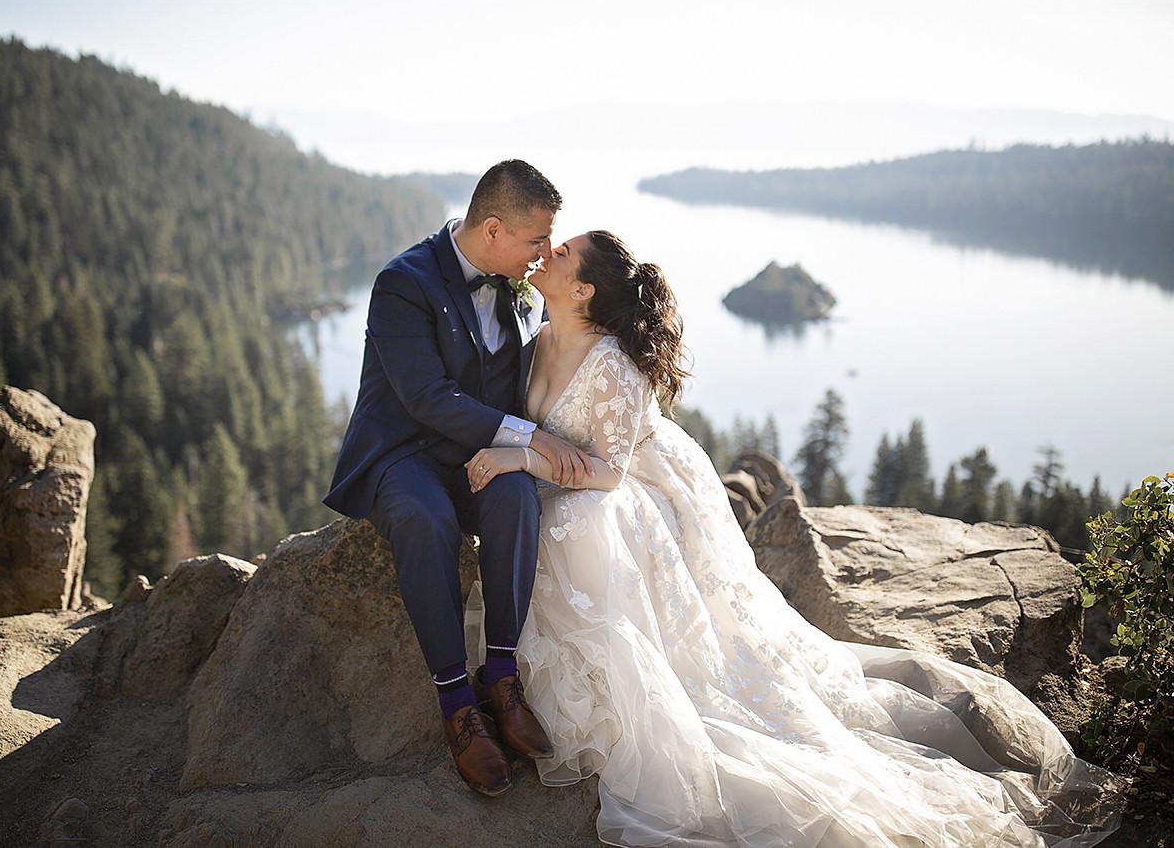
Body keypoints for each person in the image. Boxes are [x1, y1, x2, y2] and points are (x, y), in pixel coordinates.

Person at [465, 230, 1121, 846]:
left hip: (626, 483)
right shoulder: (539, 332)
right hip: (574, 477)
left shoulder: (609, 363)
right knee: (544, 518)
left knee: (578, 525)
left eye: (565, 250)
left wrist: (526, 459)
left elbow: (607, 472)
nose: (548, 251)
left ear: (583, 290)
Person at [323, 160, 595, 797]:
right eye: (536, 241)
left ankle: (500, 674)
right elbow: (426, 397)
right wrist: (532, 440)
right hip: (405, 451)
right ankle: (456, 706)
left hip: (479, 453)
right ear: (494, 230)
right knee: (425, 518)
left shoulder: (516, 284)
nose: (543, 255)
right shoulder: (403, 282)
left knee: (518, 497)